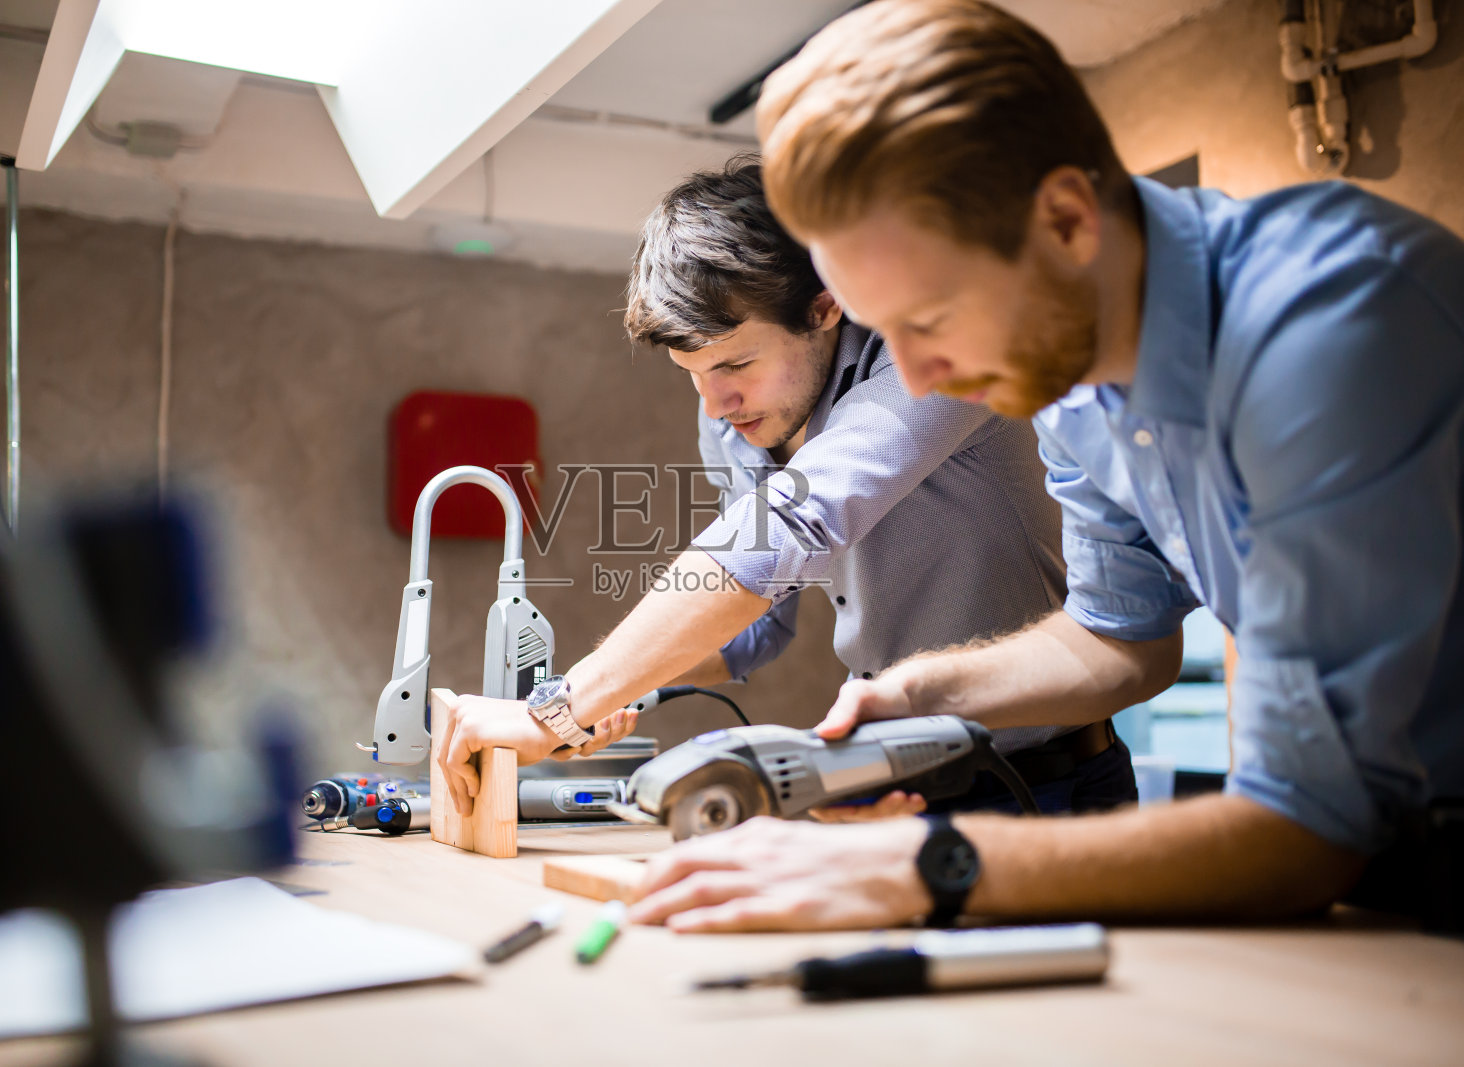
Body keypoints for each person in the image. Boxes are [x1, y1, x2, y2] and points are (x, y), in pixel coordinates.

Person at [627, 0, 1464, 932]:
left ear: (1066, 219)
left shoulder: (1329, 329)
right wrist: (917, 694)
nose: (912, 376)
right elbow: (1118, 640)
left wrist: (926, 863)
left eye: (930, 318)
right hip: (1379, 881)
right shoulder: (1073, 381)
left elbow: (1308, 826)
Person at [434, 157, 1133, 817]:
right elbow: (761, 619)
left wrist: (554, 708)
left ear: (825, 307)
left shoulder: (936, 364)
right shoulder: (738, 415)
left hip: (1050, 782)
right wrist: (620, 692)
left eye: (736, 363)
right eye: (693, 373)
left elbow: (790, 526)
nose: (715, 404)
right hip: (891, 780)